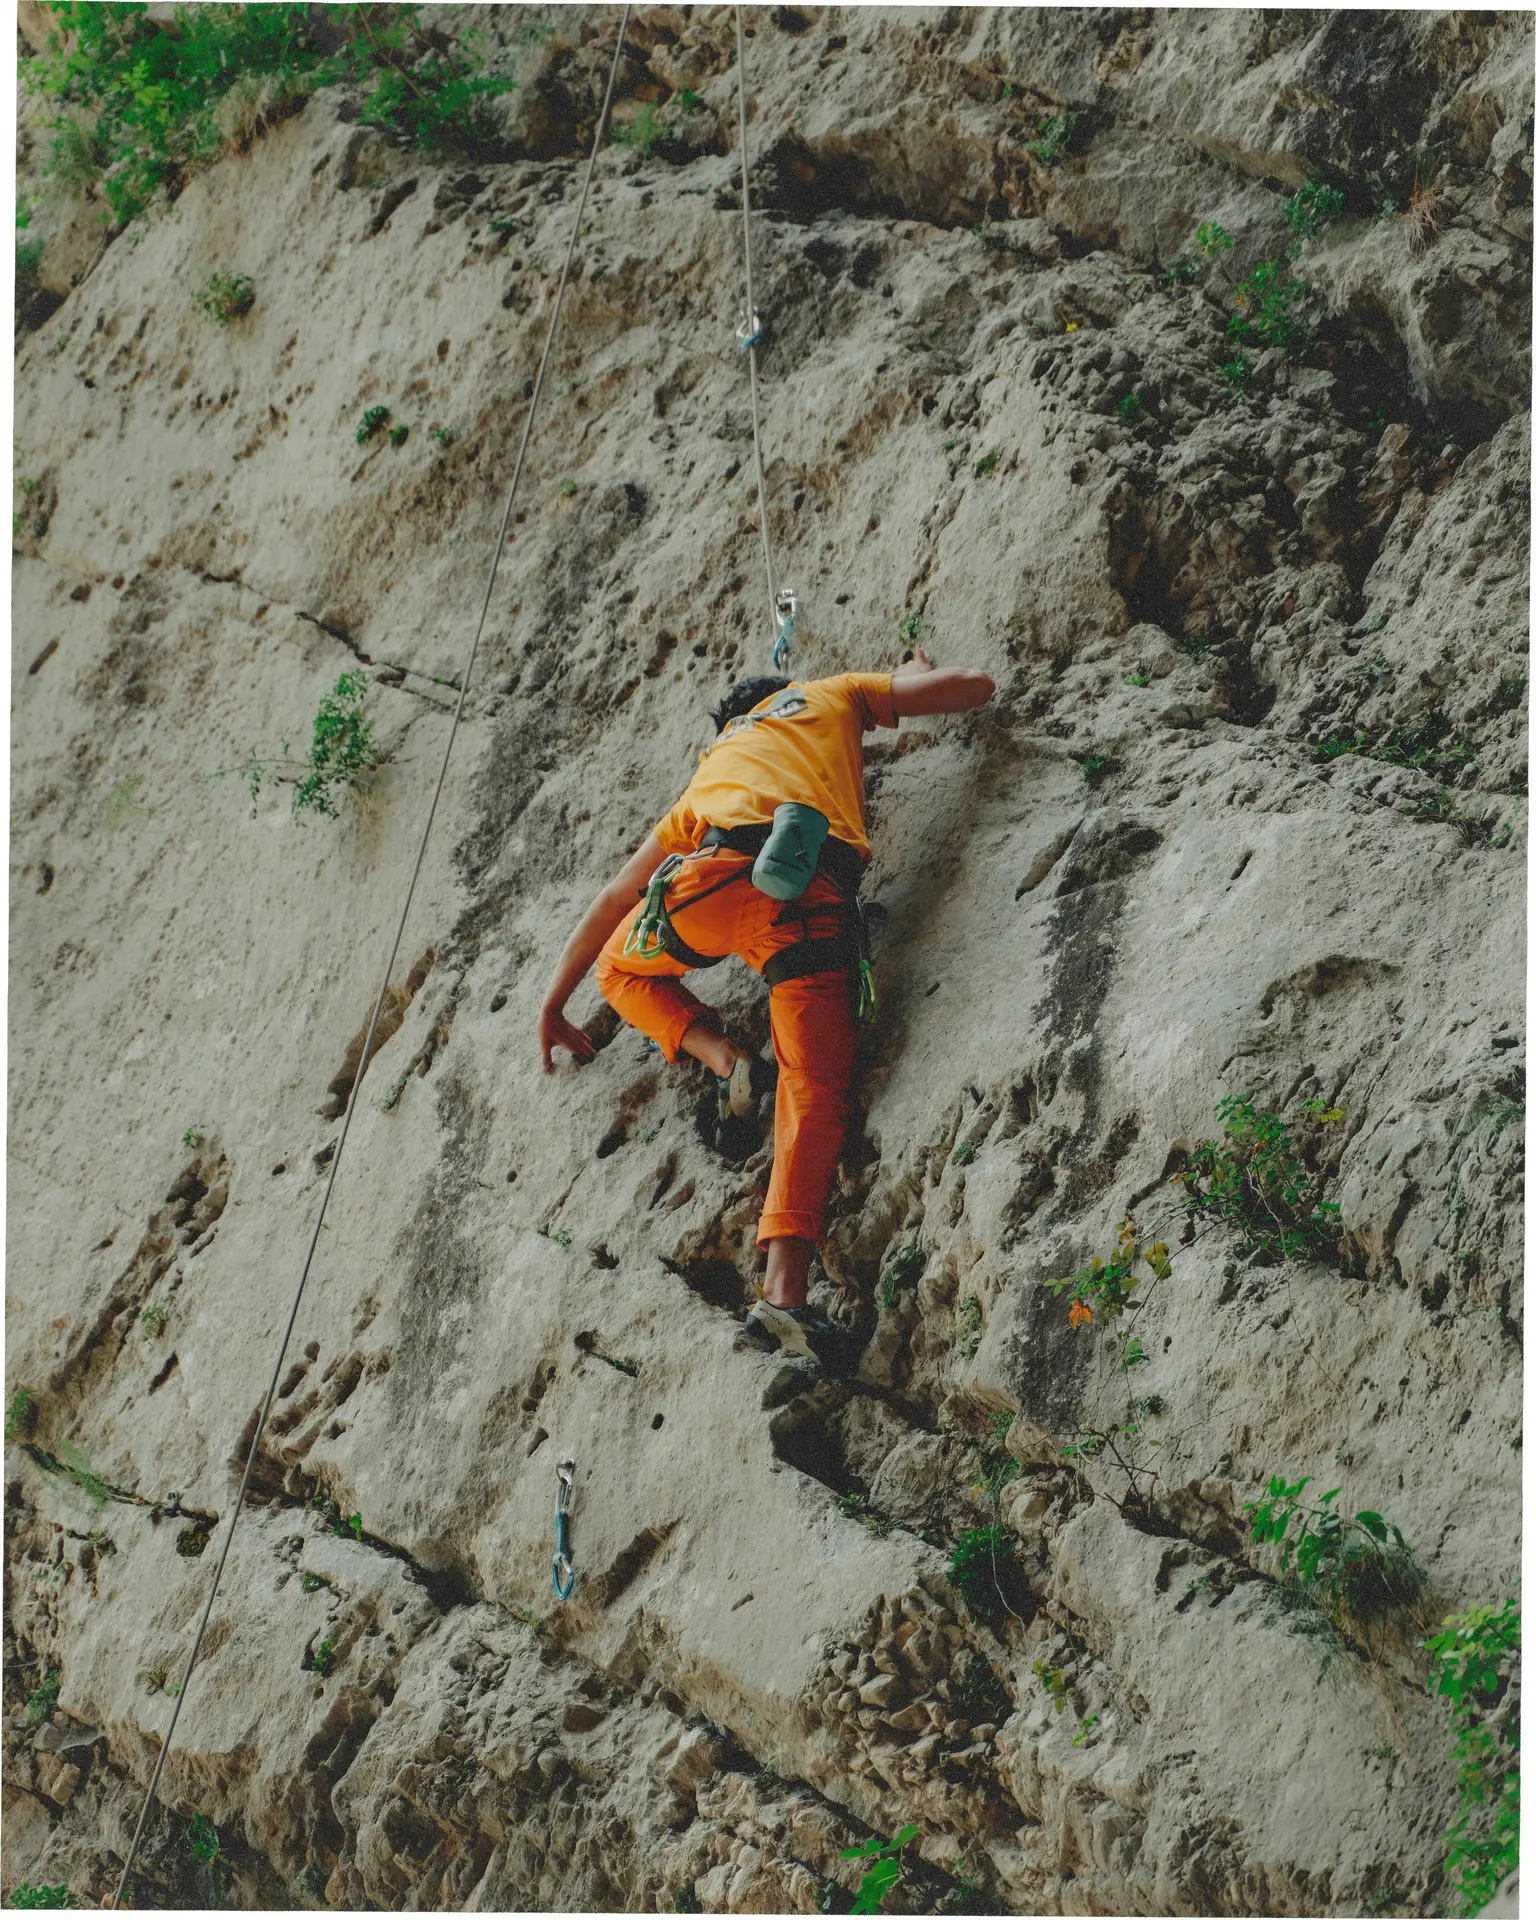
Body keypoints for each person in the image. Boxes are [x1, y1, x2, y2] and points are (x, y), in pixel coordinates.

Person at [537, 648, 995, 1368]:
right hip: (806, 898)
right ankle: (782, 1295)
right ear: (786, 694)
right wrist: (915, 670)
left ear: (728, 726)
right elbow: (976, 685)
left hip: (705, 884)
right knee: (813, 1091)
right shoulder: (831, 695)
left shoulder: (709, 773)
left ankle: (725, 1058)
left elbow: (614, 898)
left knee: (619, 967)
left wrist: (553, 1001)